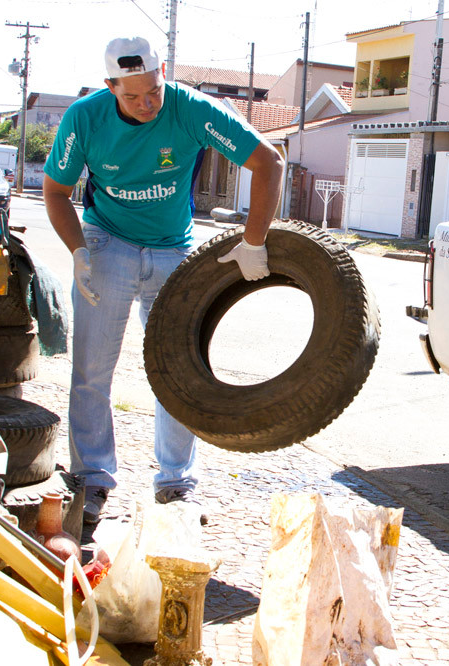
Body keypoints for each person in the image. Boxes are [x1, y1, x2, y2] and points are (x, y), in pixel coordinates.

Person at [43, 36, 284, 526]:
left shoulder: (191, 109)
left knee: (179, 374)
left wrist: (254, 240)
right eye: (132, 96)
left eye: (153, 90)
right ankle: (91, 479)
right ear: (110, 86)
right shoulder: (84, 118)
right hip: (107, 242)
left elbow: (268, 162)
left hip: (174, 249)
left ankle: (177, 483)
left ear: (163, 72)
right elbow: (55, 189)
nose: (147, 103)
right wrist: (78, 251)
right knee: (91, 371)